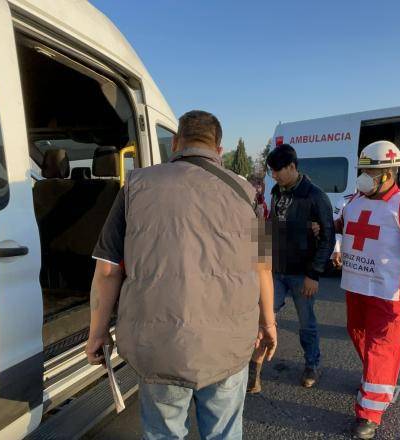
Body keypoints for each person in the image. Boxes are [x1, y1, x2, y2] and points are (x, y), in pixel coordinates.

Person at [85, 110, 277, 440]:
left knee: (163, 433)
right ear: (219, 149)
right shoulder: (249, 193)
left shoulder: (135, 185)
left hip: (159, 346)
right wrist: (268, 323)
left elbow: (106, 270)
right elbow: (263, 266)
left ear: (175, 143)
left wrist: (97, 333)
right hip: (227, 346)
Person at [337, 141, 400, 439]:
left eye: (370, 172)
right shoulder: (355, 201)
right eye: (363, 171)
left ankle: (369, 413)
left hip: (392, 289)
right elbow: (341, 226)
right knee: (358, 333)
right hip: (357, 285)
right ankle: (375, 380)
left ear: (389, 174)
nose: (364, 177)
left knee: (382, 346)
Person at [248, 144, 334, 392]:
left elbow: (328, 238)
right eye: (271, 171)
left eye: (277, 170)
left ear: (293, 167)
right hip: (275, 270)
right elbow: (271, 227)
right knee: (263, 318)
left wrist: (313, 274)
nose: (273, 175)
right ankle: (254, 372)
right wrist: (260, 260)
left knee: (306, 324)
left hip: (302, 274)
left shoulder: (315, 196)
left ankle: (312, 365)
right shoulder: (276, 191)